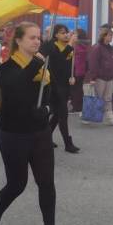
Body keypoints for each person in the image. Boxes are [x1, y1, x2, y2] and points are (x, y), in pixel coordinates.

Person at [0, 22, 71, 225]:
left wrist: (47, 109)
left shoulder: (42, 68)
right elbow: (16, 90)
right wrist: (39, 62)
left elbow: (54, 97)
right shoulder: (7, 68)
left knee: (47, 183)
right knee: (16, 184)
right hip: (14, 135)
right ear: (18, 40)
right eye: (32, 37)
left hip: (40, 134)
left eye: (39, 37)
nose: (37, 41)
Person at [40, 25, 81, 153]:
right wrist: (70, 44)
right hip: (54, 85)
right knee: (63, 114)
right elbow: (59, 62)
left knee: (57, 114)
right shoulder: (52, 46)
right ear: (56, 35)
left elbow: (69, 65)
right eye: (62, 33)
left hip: (65, 84)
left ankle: (45, 138)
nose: (66, 34)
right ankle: (68, 144)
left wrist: (72, 76)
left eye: (66, 32)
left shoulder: (68, 46)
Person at [86, 27, 113, 126]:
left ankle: (110, 118)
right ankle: (89, 116)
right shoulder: (97, 47)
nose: (111, 37)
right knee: (97, 98)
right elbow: (93, 63)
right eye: (109, 35)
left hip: (109, 77)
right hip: (100, 77)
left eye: (111, 35)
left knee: (108, 99)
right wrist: (93, 77)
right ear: (104, 36)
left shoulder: (110, 48)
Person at [69, 29, 89, 113]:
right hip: (81, 70)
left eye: (75, 34)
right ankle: (79, 106)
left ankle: (76, 106)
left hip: (76, 69)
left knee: (75, 89)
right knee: (79, 88)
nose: (73, 35)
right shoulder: (85, 45)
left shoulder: (77, 46)